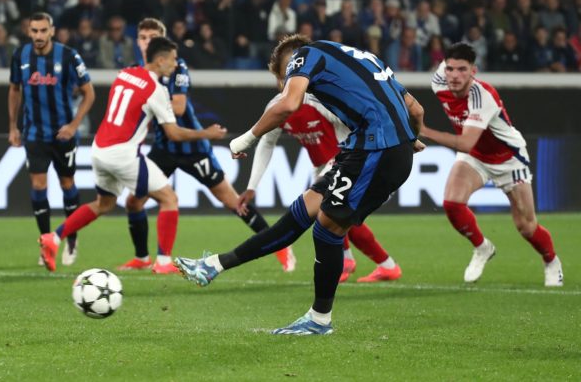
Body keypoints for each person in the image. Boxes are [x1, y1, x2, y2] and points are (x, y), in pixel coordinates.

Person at [175, 35, 425, 336]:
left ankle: (319, 320)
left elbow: (289, 103)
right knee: (301, 212)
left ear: (291, 64)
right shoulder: (363, 58)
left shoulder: (304, 56)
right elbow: (416, 109)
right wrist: (410, 138)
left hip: (376, 150)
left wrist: (245, 138)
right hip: (368, 149)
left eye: (284, 78)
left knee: (327, 226)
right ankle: (214, 265)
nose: (285, 85)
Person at [118, 18, 295, 274]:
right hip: (164, 149)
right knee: (134, 202)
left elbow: (178, 108)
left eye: (152, 37)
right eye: (143, 37)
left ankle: (279, 245)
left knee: (233, 202)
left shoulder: (177, 68)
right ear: (137, 41)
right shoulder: (137, 72)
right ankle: (143, 257)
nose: (147, 42)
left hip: (192, 148)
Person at [39, 37, 227, 272]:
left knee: (103, 204)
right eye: (172, 59)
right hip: (122, 153)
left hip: (100, 149)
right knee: (169, 199)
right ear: (160, 60)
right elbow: (173, 133)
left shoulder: (125, 73)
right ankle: (164, 262)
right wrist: (206, 133)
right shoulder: (156, 89)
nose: (175, 63)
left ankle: (53, 239)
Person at [420, 43, 563, 287]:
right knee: (452, 203)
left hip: (508, 158)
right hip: (476, 157)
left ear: (473, 71)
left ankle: (551, 261)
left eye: (462, 70)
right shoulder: (439, 81)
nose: (455, 75)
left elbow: (465, 142)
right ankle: (482, 247)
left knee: (526, 226)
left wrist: (423, 130)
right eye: (451, 69)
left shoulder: (482, 96)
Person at [239, 83, 402, 283]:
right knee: (335, 214)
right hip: (321, 167)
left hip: (346, 161)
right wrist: (252, 186)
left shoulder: (320, 101)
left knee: (329, 211)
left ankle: (377, 264)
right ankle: (369, 263)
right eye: (282, 78)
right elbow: (266, 143)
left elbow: (356, 124)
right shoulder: (276, 108)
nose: (287, 82)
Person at [8, 12, 95, 268]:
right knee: (38, 186)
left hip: (63, 134)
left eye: (43, 31)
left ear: (52, 31)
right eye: (34, 31)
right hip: (34, 134)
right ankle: (46, 243)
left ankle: (70, 240)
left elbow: (90, 93)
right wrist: (13, 126)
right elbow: (14, 89)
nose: (38, 36)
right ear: (29, 31)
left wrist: (74, 125)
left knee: (67, 184)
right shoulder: (20, 56)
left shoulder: (69, 56)